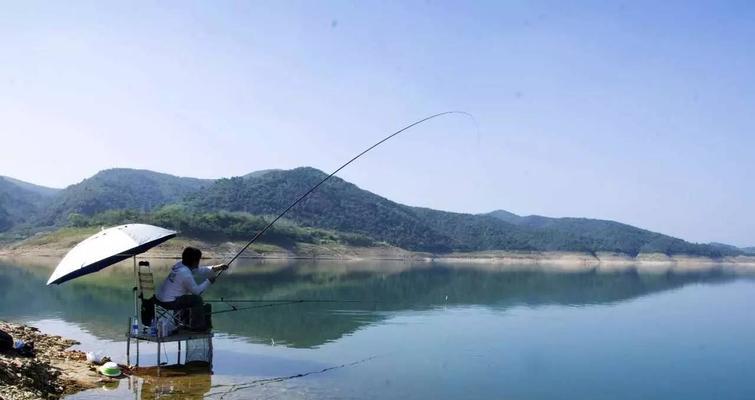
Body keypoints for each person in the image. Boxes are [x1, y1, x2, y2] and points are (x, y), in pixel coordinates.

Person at [156, 247, 228, 331]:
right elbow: (197, 292)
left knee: (186, 297)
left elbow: (200, 270)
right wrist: (208, 281)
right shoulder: (185, 273)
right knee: (196, 299)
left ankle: (182, 322)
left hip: (160, 299)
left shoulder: (180, 265)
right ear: (195, 261)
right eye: (198, 260)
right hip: (170, 303)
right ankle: (197, 326)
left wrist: (218, 267)